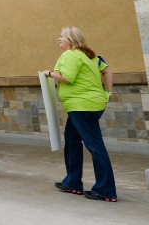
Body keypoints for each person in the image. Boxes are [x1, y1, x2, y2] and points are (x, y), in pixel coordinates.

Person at [43, 26, 117, 202]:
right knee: (72, 140)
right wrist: (108, 93)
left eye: (62, 36)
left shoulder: (70, 55)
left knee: (94, 145)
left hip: (82, 106)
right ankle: (73, 182)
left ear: (71, 39)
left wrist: (49, 73)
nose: (59, 38)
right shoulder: (91, 55)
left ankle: (105, 190)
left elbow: (68, 77)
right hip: (87, 104)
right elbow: (107, 70)